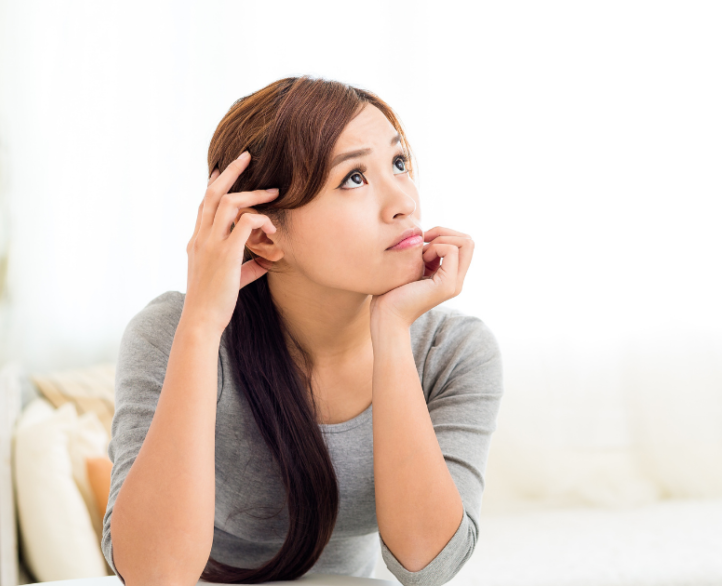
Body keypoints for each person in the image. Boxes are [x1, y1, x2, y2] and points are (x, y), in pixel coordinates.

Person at [101, 76, 504, 586]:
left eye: (399, 163)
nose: (403, 202)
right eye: (354, 177)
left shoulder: (454, 351)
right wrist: (200, 327)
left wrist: (391, 332)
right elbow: (152, 575)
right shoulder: (176, 332)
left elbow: (428, 565)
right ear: (264, 236)